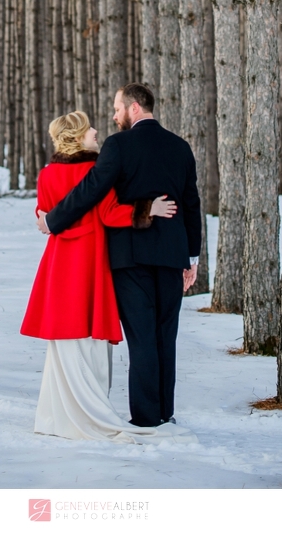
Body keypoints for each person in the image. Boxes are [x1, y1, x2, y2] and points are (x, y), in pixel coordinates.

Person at [21, 110, 192, 443]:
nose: (96, 131)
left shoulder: (47, 174)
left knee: (65, 335)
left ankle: (58, 414)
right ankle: (93, 409)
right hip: (88, 258)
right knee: (91, 334)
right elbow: (110, 214)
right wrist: (148, 210)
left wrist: (45, 219)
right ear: (77, 136)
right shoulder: (94, 170)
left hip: (58, 261)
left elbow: (43, 212)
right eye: (89, 129)